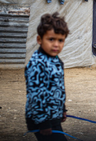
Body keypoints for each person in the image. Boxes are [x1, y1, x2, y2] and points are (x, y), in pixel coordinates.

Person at [25, 12, 70, 141]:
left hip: (53, 116)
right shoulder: (37, 64)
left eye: (60, 40)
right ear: (39, 39)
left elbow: (58, 88)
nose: (56, 44)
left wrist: (62, 109)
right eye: (51, 39)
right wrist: (43, 122)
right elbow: (36, 95)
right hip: (41, 119)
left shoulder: (56, 60)